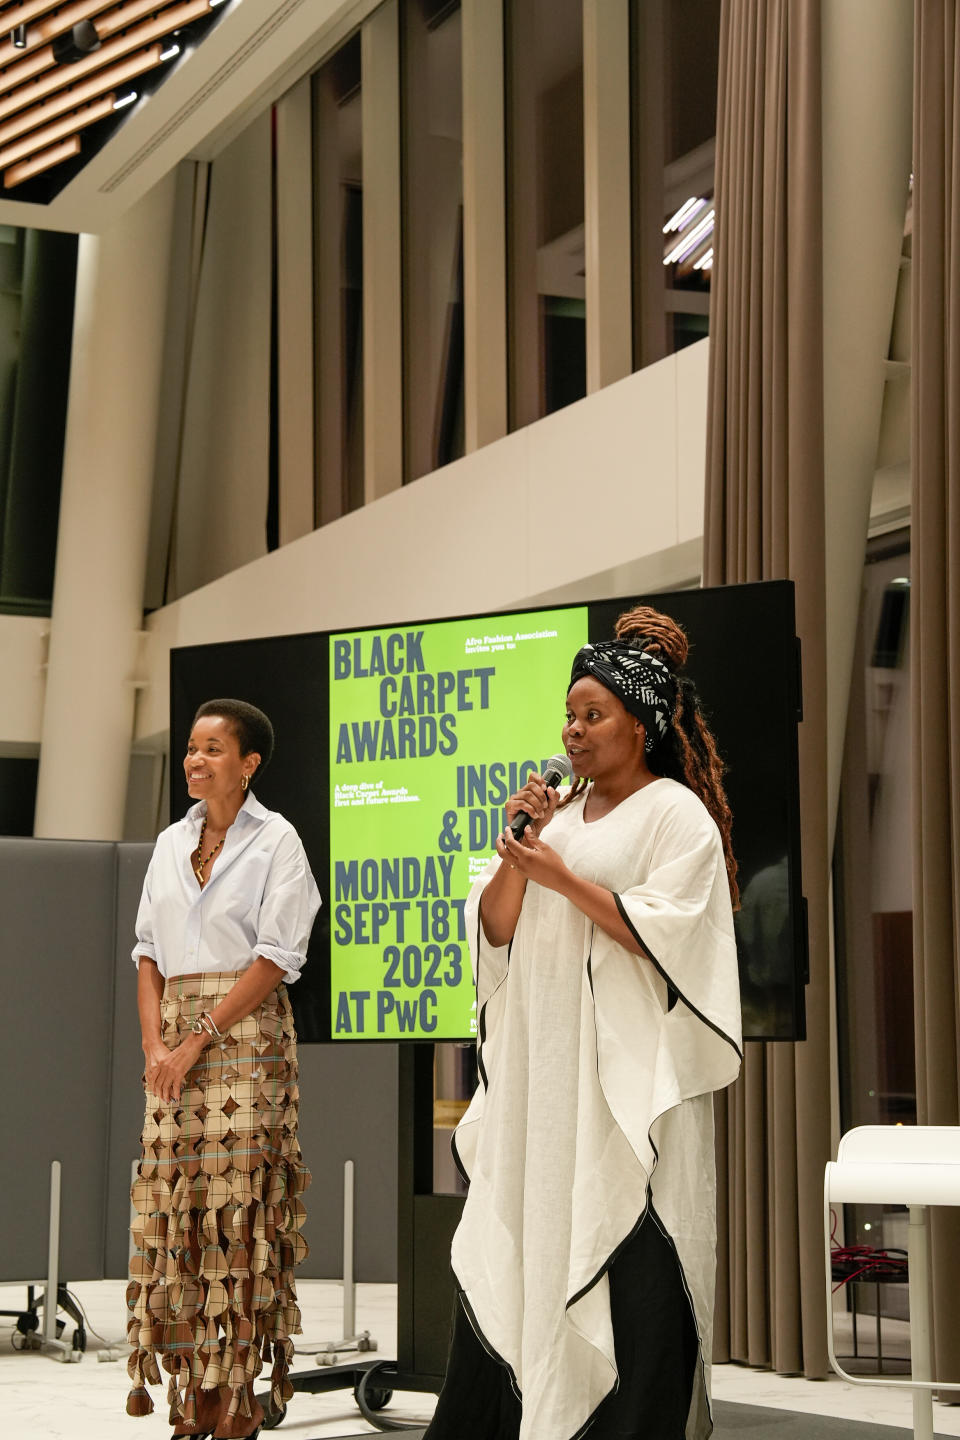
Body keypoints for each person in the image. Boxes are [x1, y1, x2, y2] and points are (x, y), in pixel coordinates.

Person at [425, 607, 743, 1440]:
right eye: (568, 715)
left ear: (641, 725)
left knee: (623, 1259)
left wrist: (561, 878)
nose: (573, 731)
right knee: (521, 1251)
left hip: (622, 1093)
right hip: (546, 1083)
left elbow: (668, 934)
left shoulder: (676, 816)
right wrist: (518, 851)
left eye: (591, 715)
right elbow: (496, 931)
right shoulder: (557, 816)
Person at [126, 699, 321, 1440]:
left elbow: (278, 956)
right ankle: (187, 1399)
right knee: (175, 1216)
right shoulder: (170, 842)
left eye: (213, 749)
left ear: (249, 764)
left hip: (243, 1040)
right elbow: (147, 952)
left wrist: (196, 1038)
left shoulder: (278, 841)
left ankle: (233, 1400)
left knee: (237, 1223)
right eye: (191, 748)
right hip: (172, 1043)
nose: (195, 760)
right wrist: (155, 1048)